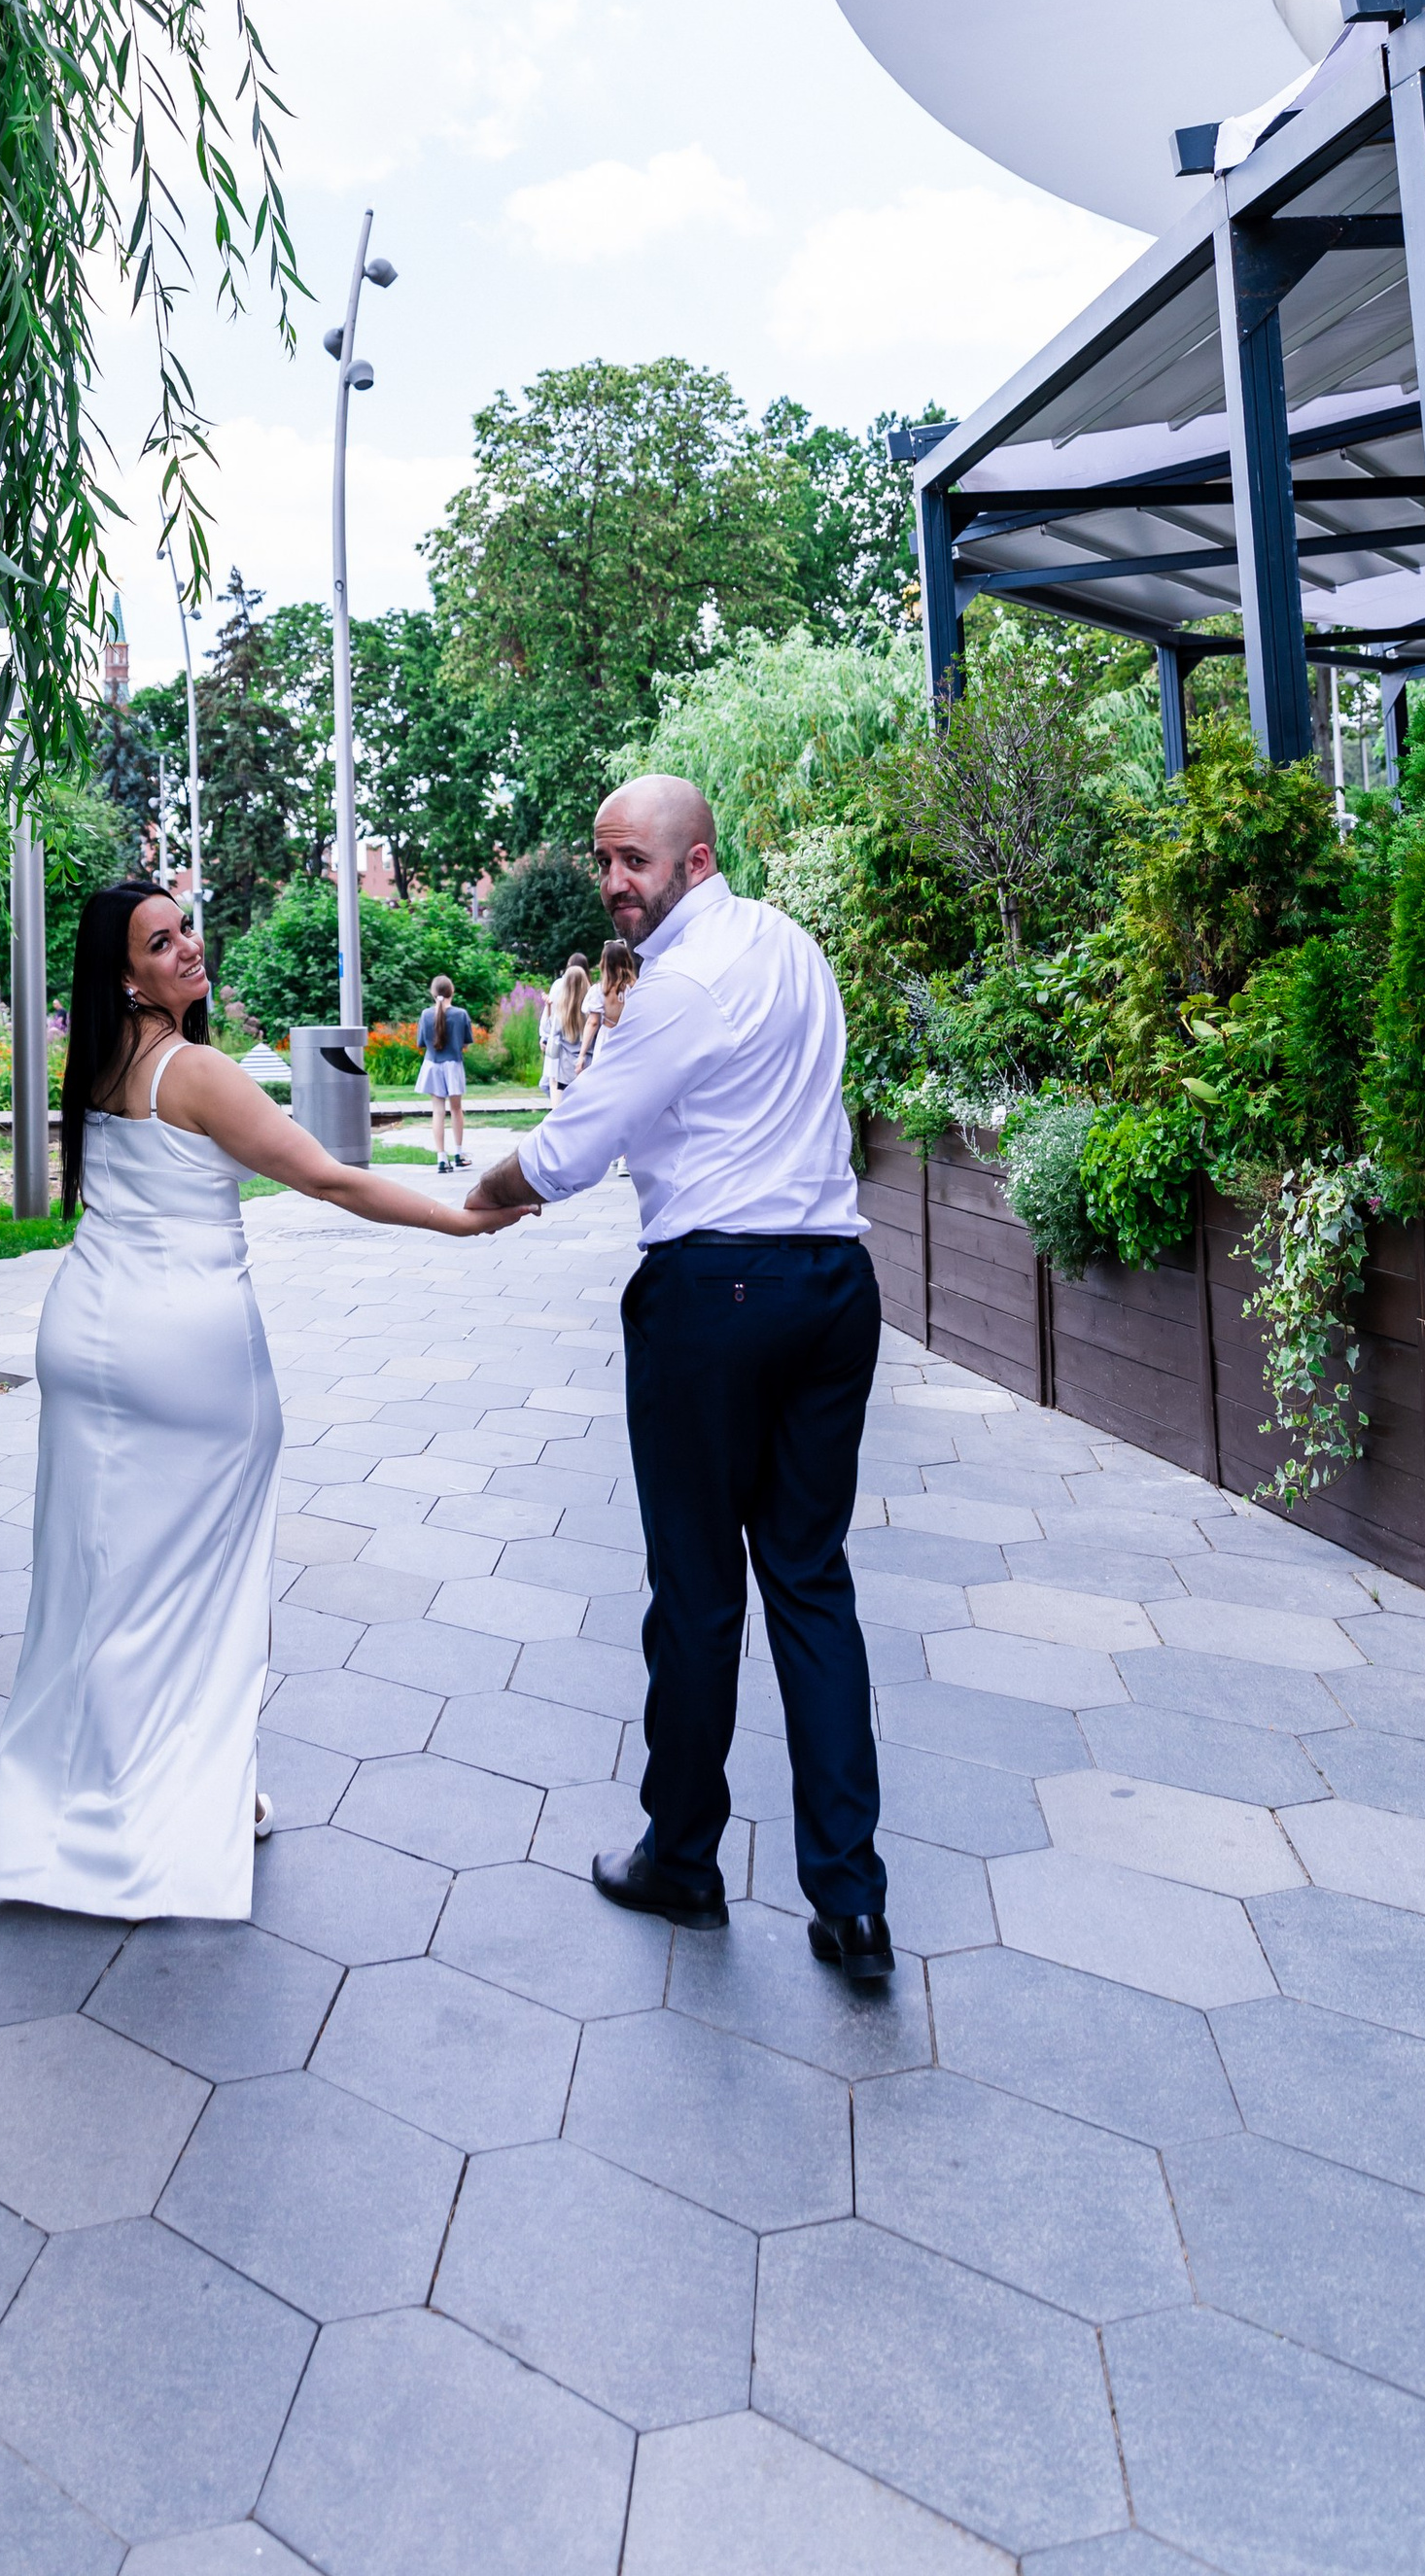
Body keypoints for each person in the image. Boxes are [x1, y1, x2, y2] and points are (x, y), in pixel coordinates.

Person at [0, 879, 518, 1924]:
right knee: (191, 1589)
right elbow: (329, 1179)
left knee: (93, 1580)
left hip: (84, 1328)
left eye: (184, 926)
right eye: (160, 940)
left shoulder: (95, 1064)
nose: (188, 946)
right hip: (183, 1348)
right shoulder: (197, 1073)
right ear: (124, 973)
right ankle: (180, 1802)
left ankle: (79, 1798)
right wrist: (459, 1220)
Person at [466, 779, 891, 1984]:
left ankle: (684, 1861)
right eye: (604, 860)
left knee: (699, 1594)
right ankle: (850, 1906)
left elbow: (570, 1149)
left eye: (635, 862)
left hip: (718, 1296)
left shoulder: (679, 988)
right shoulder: (791, 946)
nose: (614, 882)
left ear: (695, 860)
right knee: (809, 1583)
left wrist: (475, 1201)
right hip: (831, 1284)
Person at [418, 971, 475, 1170]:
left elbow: (421, 1043)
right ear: (453, 991)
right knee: (456, 1109)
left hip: (432, 1065)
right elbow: (466, 1043)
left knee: (438, 1110)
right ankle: (459, 1153)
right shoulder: (460, 1015)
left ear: (433, 993)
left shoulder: (426, 1014)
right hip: (453, 1065)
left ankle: (441, 1157)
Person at [575, 935, 639, 1078]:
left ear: (605, 963)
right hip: (631, 1038)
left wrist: (582, 1055)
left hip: (607, 1039)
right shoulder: (637, 988)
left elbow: (593, 1022)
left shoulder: (599, 991)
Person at [544, 951, 591, 1101]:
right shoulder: (592, 1010)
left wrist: (549, 1009)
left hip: (564, 1069)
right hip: (587, 1065)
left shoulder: (561, 1012)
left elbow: (550, 1030)